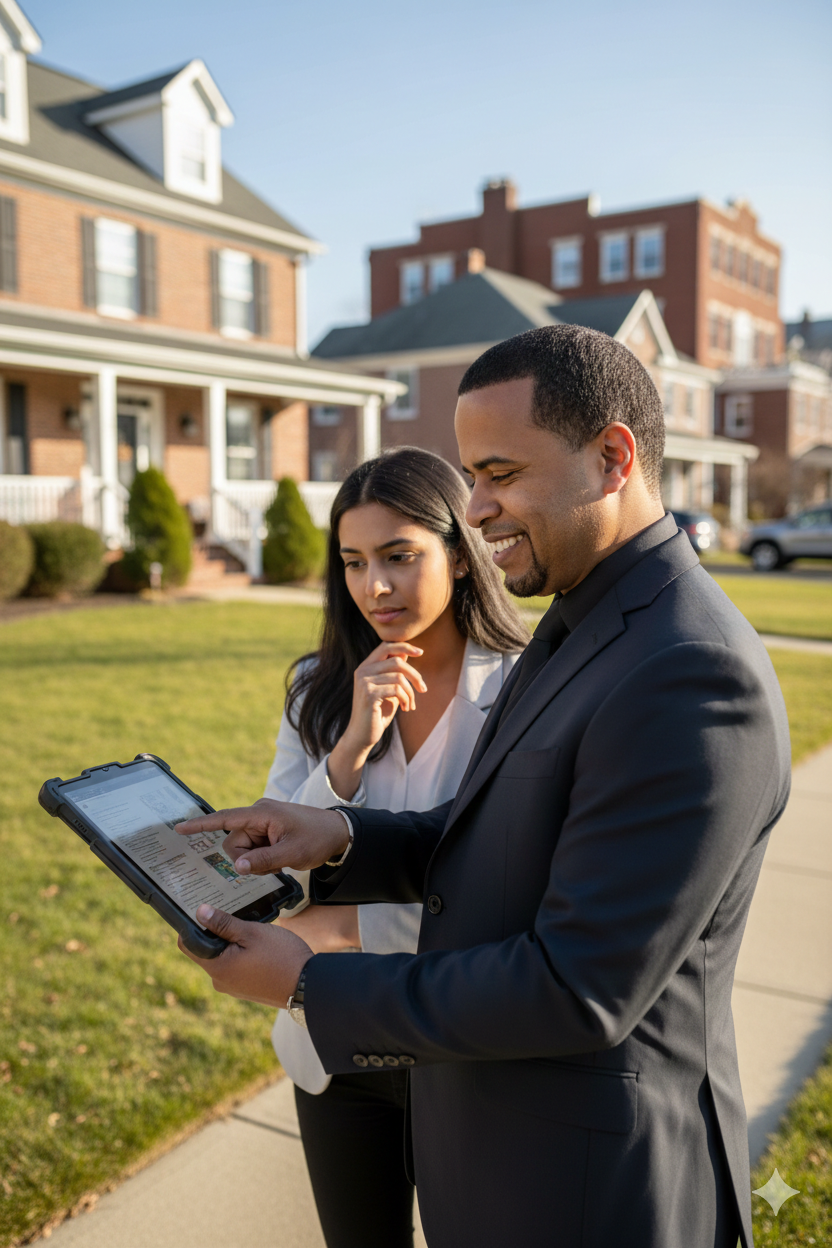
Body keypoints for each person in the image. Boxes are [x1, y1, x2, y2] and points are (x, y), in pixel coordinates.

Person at [177, 325, 791, 1248]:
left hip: (589, 1186)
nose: (477, 506)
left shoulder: (690, 669)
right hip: (509, 1146)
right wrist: (343, 838)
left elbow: (576, 984)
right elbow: (494, 831)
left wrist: (312, 984)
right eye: (471, 477)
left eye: (499, 473)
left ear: (612, 458)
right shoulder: (583, 623)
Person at [262, 447, 528, 1248]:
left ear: (460, 550)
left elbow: (505, 873)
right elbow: (288, 870)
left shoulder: (525, 688)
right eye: (352, 562)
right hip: (335, 1052)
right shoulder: (318, 687)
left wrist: (339, 924)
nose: (373, 586)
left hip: (467, 1051)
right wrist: (347, 750)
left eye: (399, 556)